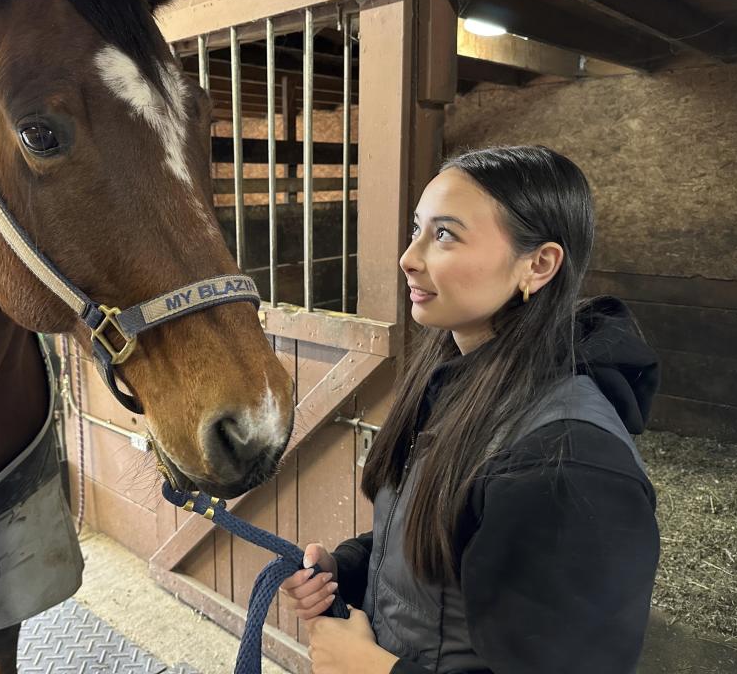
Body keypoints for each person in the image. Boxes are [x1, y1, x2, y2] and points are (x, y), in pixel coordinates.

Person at [280, 145, 660, 674]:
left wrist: (372, 670)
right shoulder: (458, 383)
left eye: (444, 235)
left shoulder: (566, 466)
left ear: (539, 264)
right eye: (417, 229)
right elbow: (441, 552)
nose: (408, 257)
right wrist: (347, 570)